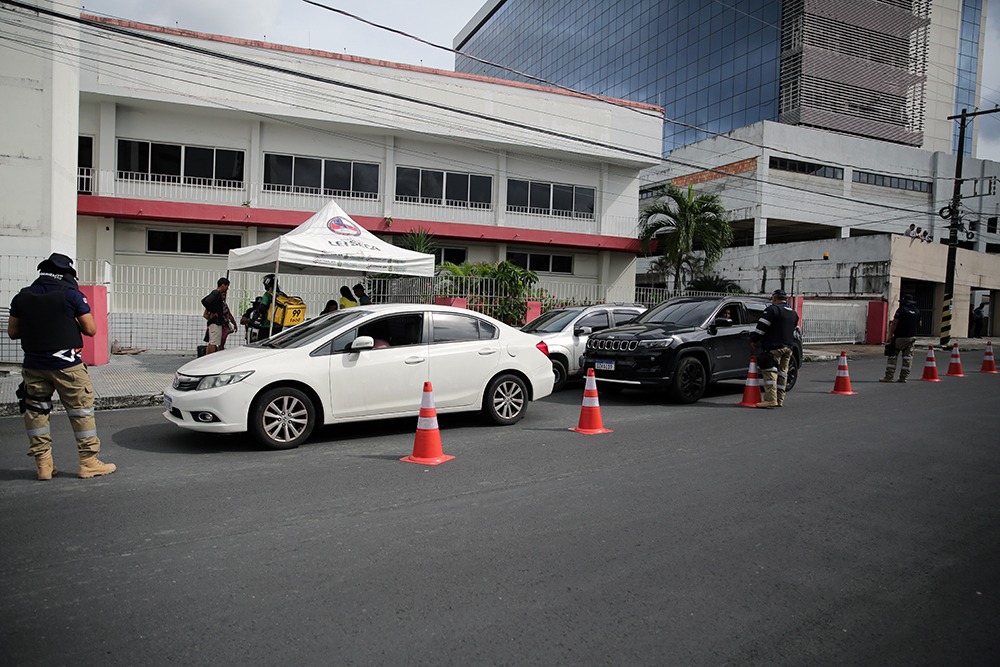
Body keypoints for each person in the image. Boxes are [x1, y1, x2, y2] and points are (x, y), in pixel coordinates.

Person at [7, 253, 117, 480]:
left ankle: (44, 465)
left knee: (36, 412)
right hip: (67, 366)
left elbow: (13, 333)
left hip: (34, 365)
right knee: (81, 411)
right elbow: (91, 329)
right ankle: (88, 463)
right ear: (67, 274)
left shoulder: (22, 297)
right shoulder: (71, 296)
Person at [749, 289, 800, 408]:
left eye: (772, 299)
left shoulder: (772, 310)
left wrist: (754, 340)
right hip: (788, 348)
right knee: (783, 374)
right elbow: (795, 330)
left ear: (775, 299)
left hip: (774, 347)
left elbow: (761, 327)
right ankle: (779, 399)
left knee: (770, 373)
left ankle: (770, 399)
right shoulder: (793, 313)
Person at [880, 293, 921, 383]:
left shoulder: (901, 310)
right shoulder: (917, 311)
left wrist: (890, 335)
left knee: (892, 356)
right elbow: (919, 324)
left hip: (899, 338)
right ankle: (903, 377)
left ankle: (889, 377)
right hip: (911, 338)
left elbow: (895, 323)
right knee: (907, 358)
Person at [200, 277, 230, 354]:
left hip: (216, 322)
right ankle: (210, 357)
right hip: (215, 322)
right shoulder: (216, 293)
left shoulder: (217, 294)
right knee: (213, 342)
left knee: (214, 341)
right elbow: (205, 301)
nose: (227, 288)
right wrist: (213, 310)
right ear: (223, 285)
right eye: (227, 286)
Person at [258, 274, 284, 339]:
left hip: (267, 326)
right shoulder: (282, 294)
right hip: (279, 326)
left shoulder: (267, 295)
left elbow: (262, 308)